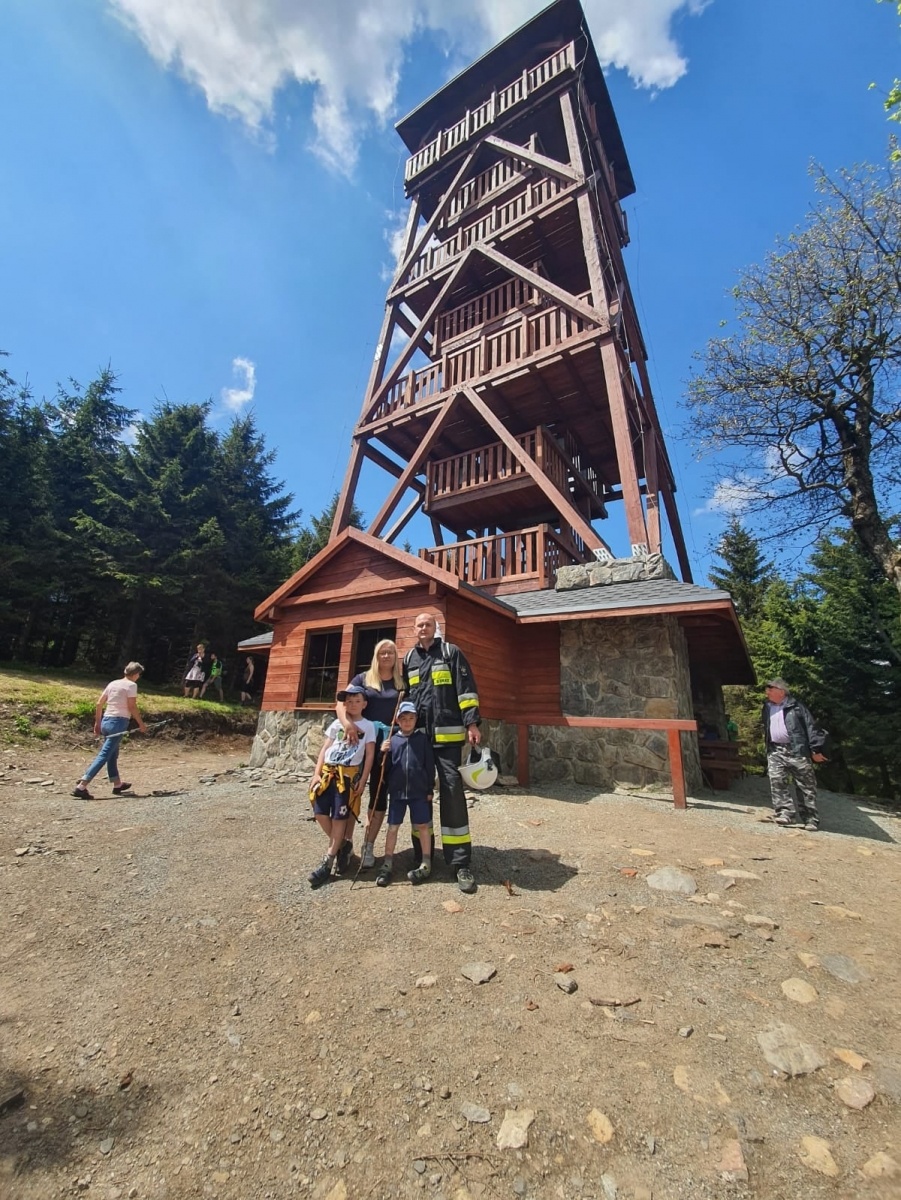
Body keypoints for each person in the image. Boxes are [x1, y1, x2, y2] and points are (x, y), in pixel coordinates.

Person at [403, 612, 481, 893]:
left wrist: (472, 723)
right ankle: (423, 856)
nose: (423, 628)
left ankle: (460, 862)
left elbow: (466, 690)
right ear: (414, 629)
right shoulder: (409, 659)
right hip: (419, 741)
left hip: (448, 740)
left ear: (435, 628)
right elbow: (406, 700)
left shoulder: (451, 652)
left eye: (428, 624)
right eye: (419, 624)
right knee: (419, 795)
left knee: (452, 793)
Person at [336, 639, 404, 869]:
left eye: (390, 652)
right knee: (351, 792)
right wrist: (347, 724)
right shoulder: (362, 679)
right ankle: (344, 844)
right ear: (376, 655)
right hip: (360, 742)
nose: (386, 656)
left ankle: (368, 844)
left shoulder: (401, 683)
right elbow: (341, 703)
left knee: (378, 794)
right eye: (382, 652)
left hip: (385, 745)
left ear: (395, 656)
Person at [307, 684, 376, 888]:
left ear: (364, 704)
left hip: (346, 776)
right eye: (349, 701)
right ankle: (343, 845)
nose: (353, 704)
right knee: (320, 812)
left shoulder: (368, 726)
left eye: (357, 701)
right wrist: (316, 773)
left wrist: (363, 779)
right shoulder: (337, 723)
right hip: (327, 773)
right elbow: (325, 748)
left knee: (339, 817)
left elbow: (370, 754)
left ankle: (328, 861)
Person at [376, 701, 435, 887]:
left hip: (419, 792)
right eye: (403, 718)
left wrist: (429, 788)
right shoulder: (393, 740)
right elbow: (384, 768)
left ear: (416, 719)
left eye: (411, 718)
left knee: (423, 826)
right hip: (397, 794)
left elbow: (429, 765)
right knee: (393, 827)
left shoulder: (422, 740)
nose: (407, 722)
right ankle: (387, 862)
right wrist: (382, 753)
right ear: (397, 720)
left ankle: (426, 861)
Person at [73, 662, 147, 799]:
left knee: (112, 753)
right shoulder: (131, 685)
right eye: (139, 674)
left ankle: (117, 784)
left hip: (106, 721)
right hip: (118, 723)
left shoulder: (113, 683)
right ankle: (82, 786)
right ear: (136, 674)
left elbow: (99, 703)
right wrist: (141, 724)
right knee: (105, 754)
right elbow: (131, 706)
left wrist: (98, 722)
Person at [762, 678, 828, 830]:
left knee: (805, 785)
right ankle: (785, 814)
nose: (767, 692)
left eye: (771, 689)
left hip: (797, 750)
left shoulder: (797, 707)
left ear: (781, 692)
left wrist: (816, 749)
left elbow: (811, 727)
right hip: (775, 750)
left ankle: (810, 819)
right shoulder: (767, 707)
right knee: (777, 781)